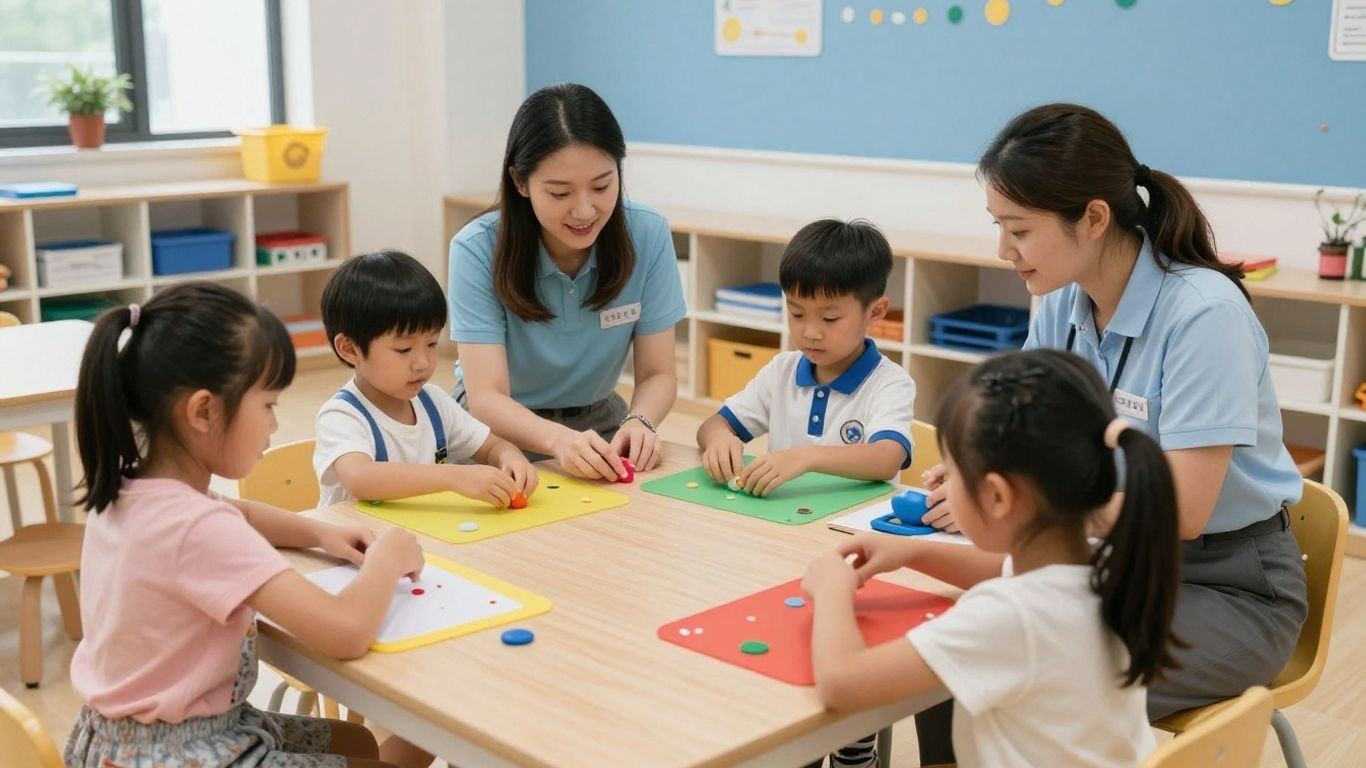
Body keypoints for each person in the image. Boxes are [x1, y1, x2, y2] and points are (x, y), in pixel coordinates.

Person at [915, 102, 1307, 762]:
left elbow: (1181, 511)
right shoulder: (1063, 301)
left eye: (1018, 229)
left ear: (1093, 218)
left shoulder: (1203, 314)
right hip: (1106, 558)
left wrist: (1032, 496)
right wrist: (978, 475)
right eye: (998, 227)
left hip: (1231, 587)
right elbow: (1021, 430)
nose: (1003, 251)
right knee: (950, 653)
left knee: (1016, 678)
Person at [65, 283, 428, 768]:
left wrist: (321, 532)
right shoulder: (197, 528)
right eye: (269, 405)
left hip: (120, 741)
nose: (275, 426)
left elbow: (244, 515)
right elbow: (345, 632)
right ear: (203, 411)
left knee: (356, 745)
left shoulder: (135, 492)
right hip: (186, 752)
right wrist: (389, 556)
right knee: (416, 746)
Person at [803, 348, 1181, 767]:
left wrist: (832, 589)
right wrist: (913, 550)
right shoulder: (1106, 565)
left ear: (998, 496)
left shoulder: (1008, 615)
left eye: (951, 473)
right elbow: (999, 570)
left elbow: (843, 685)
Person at [697, 218, 916, 768]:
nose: (810, 332)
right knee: (784, 649)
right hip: (780, 550)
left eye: (829, 318)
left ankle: (852, 739)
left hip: (857, 555)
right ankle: (796, 740)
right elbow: (715, 425)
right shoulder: (781, 370)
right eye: (796, 314)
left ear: (875, 313)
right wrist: (719, 441)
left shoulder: (889, 383)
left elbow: (888, 456)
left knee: (844, 649)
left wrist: (808, 455)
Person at [448, 83, 687, 481]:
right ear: (520, 183)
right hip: (495, 435)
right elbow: (486, 396)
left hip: (600, 426)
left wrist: (641, 421)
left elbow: (658, 374)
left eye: (602, 186)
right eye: (559, 192)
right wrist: (558, 440)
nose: (584, 210)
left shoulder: (647, 232)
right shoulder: (476, 249)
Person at [315, 250, 536, 508]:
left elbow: (491, 446)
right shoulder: (342, 415)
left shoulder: (434, 403)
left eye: (431, 343)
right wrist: (455, 476)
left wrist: (511, 457)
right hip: (357, 543)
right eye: (403, 350)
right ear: (350, 349)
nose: (423, 362)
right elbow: (360, 479)